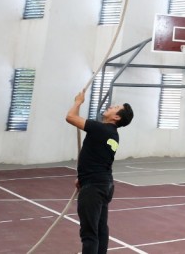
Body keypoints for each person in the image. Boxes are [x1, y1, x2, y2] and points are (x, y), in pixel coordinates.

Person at [66, 91, 133, 254]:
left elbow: (70, 117)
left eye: (115, 107)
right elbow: (99, 158)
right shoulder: (113, 135)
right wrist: (83, 177)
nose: (111, 106)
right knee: (101, 229)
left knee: (89, 234)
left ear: (116, 117)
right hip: (104, 184)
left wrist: (78, 102)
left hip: (95, 187)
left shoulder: (101, 129)